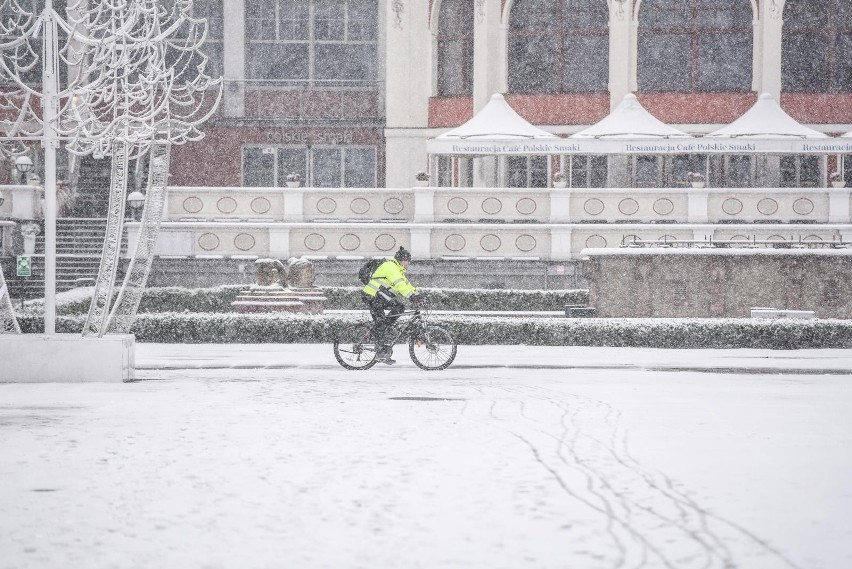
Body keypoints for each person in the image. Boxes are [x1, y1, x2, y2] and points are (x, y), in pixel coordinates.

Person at [361, 246, 425, 364]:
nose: (409, 263)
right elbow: (399, 284)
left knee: (399, 307)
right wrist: (411, 297)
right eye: (408, 261)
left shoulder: (398, 270)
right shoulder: (391, 267)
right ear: (402, 260)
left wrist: (418, 295)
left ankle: (381, 331)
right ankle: (380, 352)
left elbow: (407, 285)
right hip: (372, 296)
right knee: (381, 322)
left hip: (380, 297)